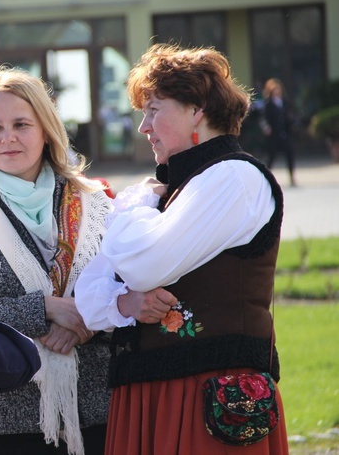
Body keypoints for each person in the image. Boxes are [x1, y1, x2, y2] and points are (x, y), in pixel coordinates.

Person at [74, 43, 289, 454]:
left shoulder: (233, 177)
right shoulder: (173, 189)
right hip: (152, 393)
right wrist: (125, 304)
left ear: (198, 109)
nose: (144, 126)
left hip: (209, 396)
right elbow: (90, 295)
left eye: (154, 109)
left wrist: (134, 205)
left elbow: (144, 264)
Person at [0, 65, 112, 455]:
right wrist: (45, 309)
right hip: (3, 424)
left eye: (21, 124)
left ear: (46, 129)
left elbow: (127, 288)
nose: (8, 138)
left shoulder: (96, 204)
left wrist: (86, 322)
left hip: (98, 413)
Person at [260, 78, 297, 186]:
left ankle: (292, 177)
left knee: (290, 154)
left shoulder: (284, 102)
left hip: (285, 133)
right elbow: (263, 119)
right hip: (273, 135)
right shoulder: (268, 104)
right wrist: (266, 128)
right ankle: (266, 177)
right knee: (271, 156)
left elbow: (290, 114)